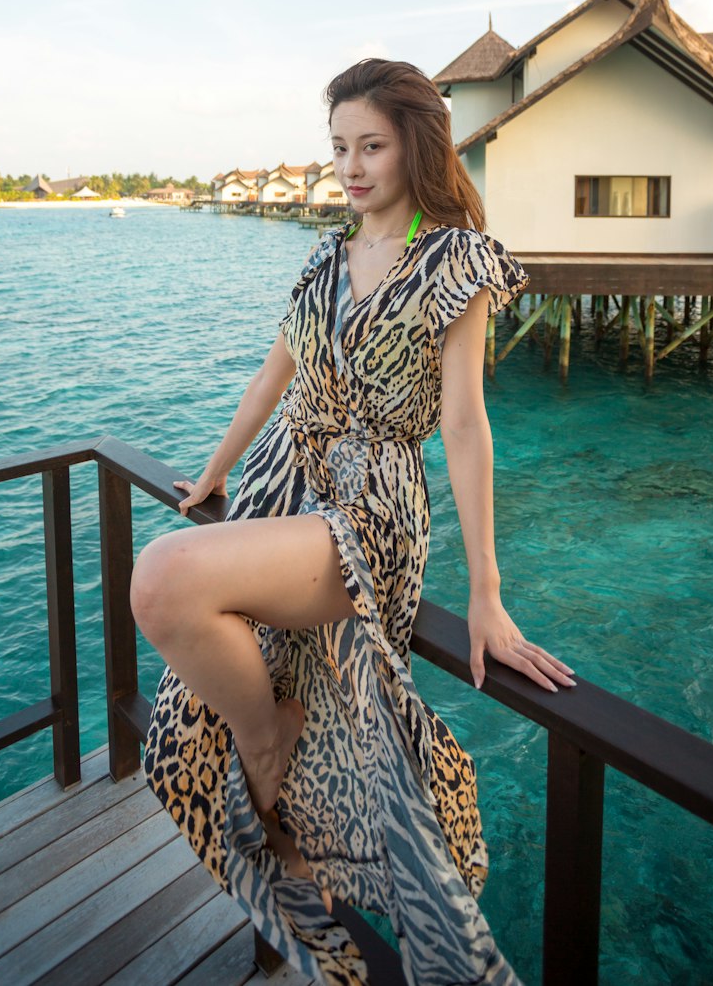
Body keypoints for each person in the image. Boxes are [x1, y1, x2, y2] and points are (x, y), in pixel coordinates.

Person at [130, 57, 576, 986]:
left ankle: (268, 737)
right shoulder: (326, 255)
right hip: (281, 482)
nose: (353, 166)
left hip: (369, 510)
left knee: (164, 579)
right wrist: (212, 470)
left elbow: (464, 423)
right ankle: (277, 783)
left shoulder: (457, 259)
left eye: (371, 145)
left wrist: (488, 592)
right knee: (178, 619)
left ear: (416, 143)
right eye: (339, 147)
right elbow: (273, 375)